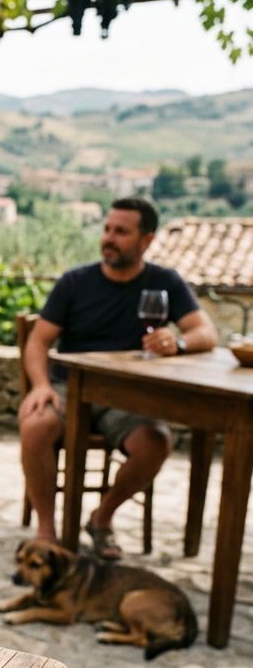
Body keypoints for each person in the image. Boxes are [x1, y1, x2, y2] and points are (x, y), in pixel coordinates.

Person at [19, 197, 217, 559]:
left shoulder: (164, 282)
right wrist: (41, 385)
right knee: (33, 424)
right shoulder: (75, 282)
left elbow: (206, 332)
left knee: (157, 441)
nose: (109, 238)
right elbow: (38, 342)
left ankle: (101, 518)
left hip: (124, 400)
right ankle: (47, 532)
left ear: (146, 240)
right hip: (67, 389)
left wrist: (179, 341)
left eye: (121, 232)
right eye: (107, 229)